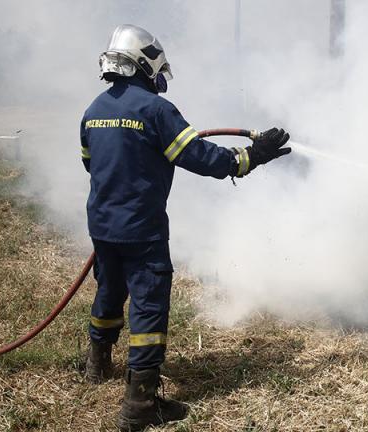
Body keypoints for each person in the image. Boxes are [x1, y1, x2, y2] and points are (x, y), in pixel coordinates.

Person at [80, 24, 291, 431]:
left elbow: (90, 162)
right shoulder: (156, 110)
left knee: (110, 290)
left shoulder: (94, 110)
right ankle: (140, 404)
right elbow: (201, 157)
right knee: (148, 305)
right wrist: (253, 156)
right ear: (145, 64)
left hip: (103, 225)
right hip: (142, 230)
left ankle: (97, 363)